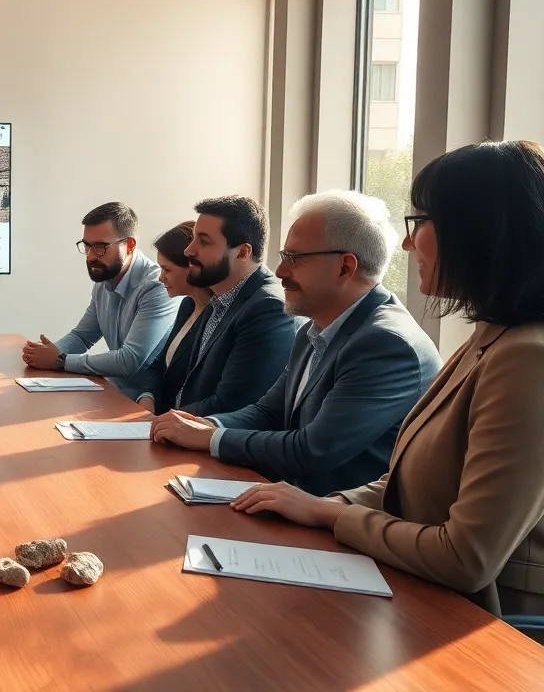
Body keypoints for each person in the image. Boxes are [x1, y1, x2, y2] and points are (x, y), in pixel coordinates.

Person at [232, 141, 544, 622]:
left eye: (418, 224)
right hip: (416, 593)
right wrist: (316, 506)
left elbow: (467, 559)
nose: (405, 244)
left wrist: (330, 514)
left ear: (476, 232)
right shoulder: (490, 337)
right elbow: (405, 485)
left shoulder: (527, 358)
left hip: (483, 629)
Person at [150, 191, 442, 495]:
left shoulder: (386, 344)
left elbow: (312, 449)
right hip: (293, 504)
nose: (280, 272)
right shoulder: (314, 328)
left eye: (295, 259)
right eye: (283, 257)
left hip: (337, 526)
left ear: (345, 267)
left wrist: (210, 438)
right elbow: (268, 412)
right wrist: (203, 425)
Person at [143, 195, 298, 416]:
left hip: (211, 442)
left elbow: (235, 404)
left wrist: (166, 422)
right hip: (181, 432)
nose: (189, 251)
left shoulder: (267, 307)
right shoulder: (217, 293)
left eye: (204, 241)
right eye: (193, 238)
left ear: (243, 252)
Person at [22, 202, 178, 399]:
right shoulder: (104, 279)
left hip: (145, 404)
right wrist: (45, 354)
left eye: (100, 247)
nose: (90, 256)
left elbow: (129, 360)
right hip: (111, 392)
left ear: (129, 245)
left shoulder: (157, 285)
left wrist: (60, 361)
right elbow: (82, 336)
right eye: (86, 246)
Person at [136, 222, 213, 414]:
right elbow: (160, 363)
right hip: (159, 419)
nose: (161, 278)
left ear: (191, 267)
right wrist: (147, 396)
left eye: (167, 270)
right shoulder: (187, 305)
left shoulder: (216, 316)